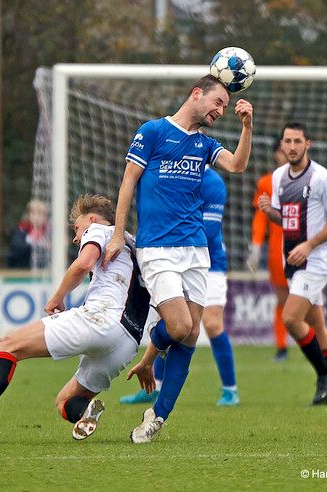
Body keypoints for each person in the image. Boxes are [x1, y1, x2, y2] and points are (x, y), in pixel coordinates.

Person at [103, 74, 252, 443]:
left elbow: (236, 166)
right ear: (196, 94)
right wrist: (119, 234)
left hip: (196, 250)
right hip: (157, 250)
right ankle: (150, 357)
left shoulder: (204, 145)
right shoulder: (153, 132)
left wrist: (247, 127)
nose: (221, 111)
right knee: (181, 324)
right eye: (217, 103)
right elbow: (127, 184)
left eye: (225, 107)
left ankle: (157, 416)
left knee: (191, 334)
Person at [0, 194, 149, 443]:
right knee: (65, 402)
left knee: (6, 345)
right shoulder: (134, 245)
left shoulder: (99, 230)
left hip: (102, 318)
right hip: (128, 342)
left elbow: (84, 262)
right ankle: (85, 411)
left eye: (77, 228)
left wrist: (57, 297)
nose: (76, 237)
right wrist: (151, 357)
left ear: (93, 219)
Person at [120, 165, 239, 407]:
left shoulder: (212, 182)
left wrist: (170, 231)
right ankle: (156, 385)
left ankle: (230, 389)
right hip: (170, 259)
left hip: (209, 263)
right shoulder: (169, 174)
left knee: (213, 324)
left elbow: (210, 230)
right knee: (172, 321)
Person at [257, 122, 327, 405]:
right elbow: (287, 219)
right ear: (282, 145)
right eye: (288, 141)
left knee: (290, 318)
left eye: (298, 141)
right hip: (294, 259)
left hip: (317, 260)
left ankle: (324, 375)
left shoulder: (323, 178)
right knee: (316, 324)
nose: (292, 146)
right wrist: (268, 211)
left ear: (308, 143)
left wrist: (309, 245)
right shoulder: (279, 177)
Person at [246, 139, 291, 361]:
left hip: (305, 247)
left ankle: (315, 343)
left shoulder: (312, 179)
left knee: (308, 300)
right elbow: (260, 218)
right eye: (282, 150)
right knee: (283, 300)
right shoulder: (266, 182)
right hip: (277, 250)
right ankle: (282, 346)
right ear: (276, 155)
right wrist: (255, 247)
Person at [7, 198, 49, 268]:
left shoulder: (50, 232)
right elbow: (16, 249)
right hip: (23, 271)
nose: (37, 217)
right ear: (29, 215)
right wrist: (34, 243)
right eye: (33, 213)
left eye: (40, 213)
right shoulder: (21, 230)